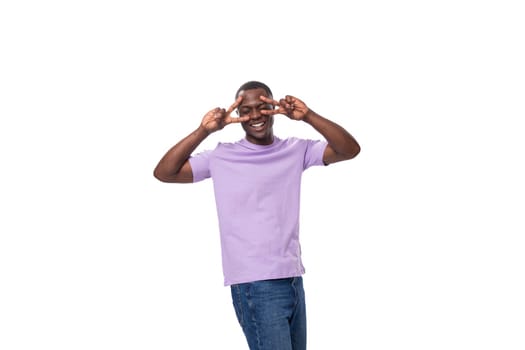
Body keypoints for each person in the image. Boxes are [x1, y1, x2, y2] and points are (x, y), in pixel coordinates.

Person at [153, 81, 360, 350]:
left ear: (273, 107)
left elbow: (349, 150)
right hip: (255, 284)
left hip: (293, 278)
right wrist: (203, 131)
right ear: (238, 116)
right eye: (247, 110)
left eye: (262, 107)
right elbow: (164, 173)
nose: (256, 116)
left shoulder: (296, 150)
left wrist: (308, 116)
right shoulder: (222, 156)